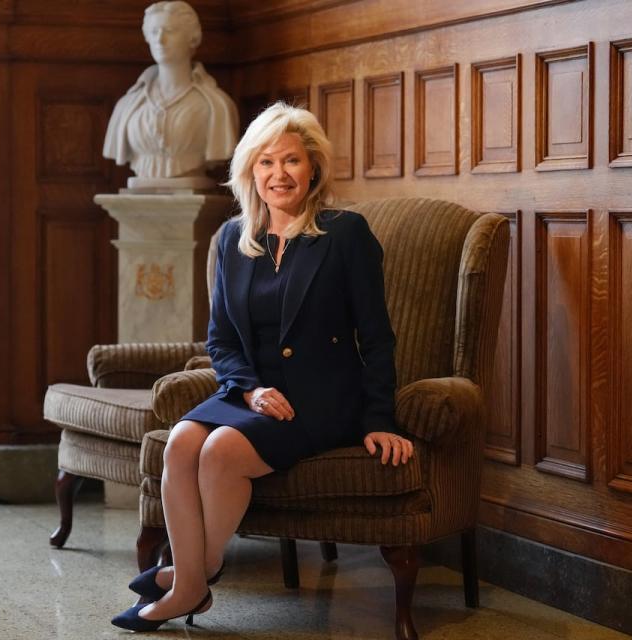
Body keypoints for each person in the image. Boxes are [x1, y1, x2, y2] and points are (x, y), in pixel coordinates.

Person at [110, 102, 415, 632]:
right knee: (182, 439)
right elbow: (222, 339)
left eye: (292, 161)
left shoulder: (345, 234)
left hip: (320, 396)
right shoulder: (233, 238)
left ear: (313, 167)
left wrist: (380, 419)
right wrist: (248, 390)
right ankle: (195, 579)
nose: (279, 174)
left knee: (221, 450)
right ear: (251, 170)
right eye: (267, 162)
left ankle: (188, 581)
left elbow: (378, 336)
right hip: (249, 390)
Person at [102, 1, 238, 186]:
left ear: (192, 38)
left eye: (170, 30)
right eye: (154, 32)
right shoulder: (127, 106)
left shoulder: (217, 105)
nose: (160, 39)